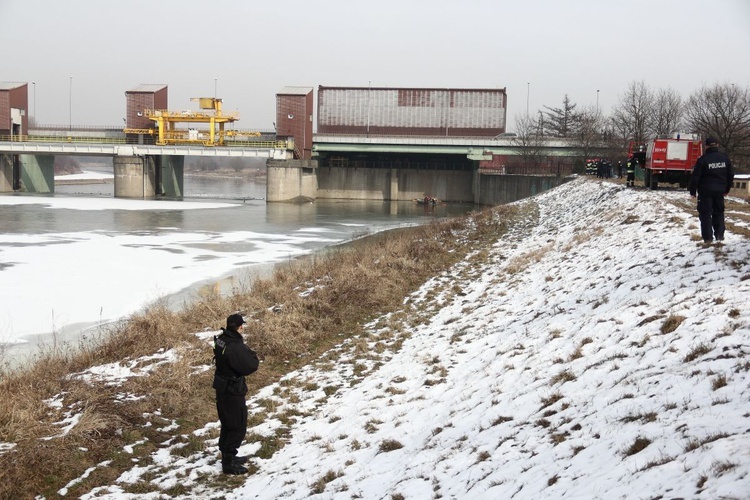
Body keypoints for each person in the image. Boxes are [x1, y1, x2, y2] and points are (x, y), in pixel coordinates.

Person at [213, 313, 259, 475]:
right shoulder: (235, 346)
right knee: (237, 425)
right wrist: (252, 355)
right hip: (232, 389)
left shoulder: (221, 339)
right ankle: (229, 463)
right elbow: (250, 366)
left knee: (227, 423)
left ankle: (228, 456)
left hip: (222, 386)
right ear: (240, 327)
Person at [688, 136, 734, 244]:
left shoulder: (702, 160)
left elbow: (695, 177)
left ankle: (708, 239)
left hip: (705, 192)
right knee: (719, 213)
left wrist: (693, 191)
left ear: (706, 146)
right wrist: (727, 189)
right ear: (717, 145)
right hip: (720, 191)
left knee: (705, 214)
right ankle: (719, 236)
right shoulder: (725, 158)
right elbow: (730, 175)